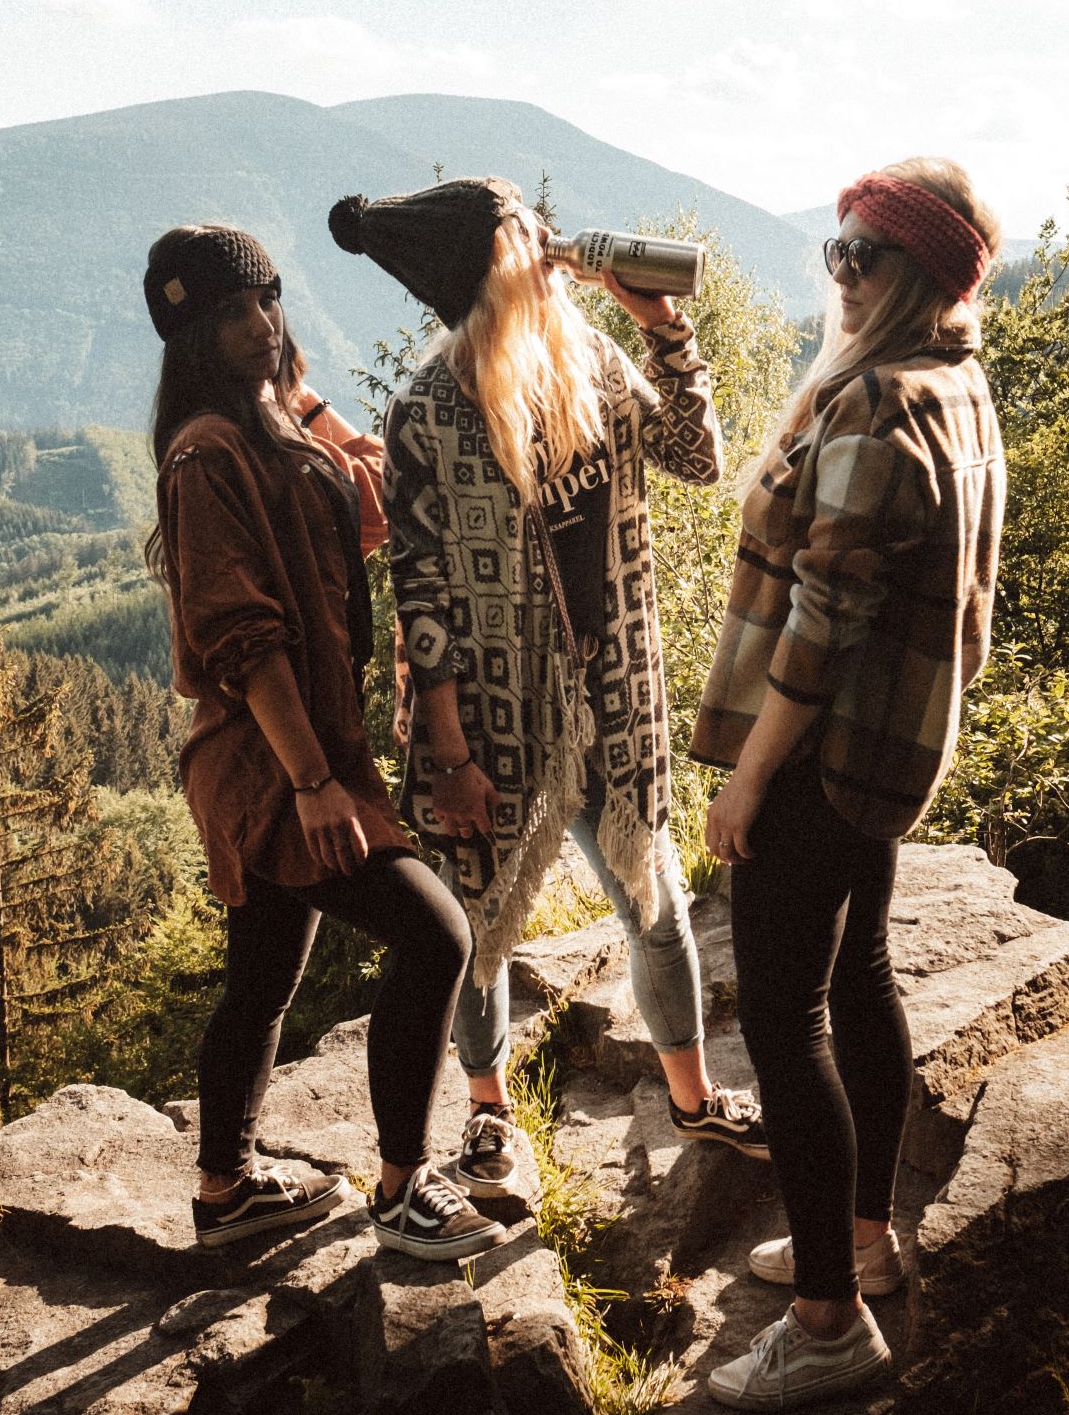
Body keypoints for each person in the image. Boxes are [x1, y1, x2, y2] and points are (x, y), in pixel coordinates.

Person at [328, 179, 766, 1197]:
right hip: (488, 714)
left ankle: (694, 1099)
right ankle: (488, 1115)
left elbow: (697, 457)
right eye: (523, 232)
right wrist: (447, 755)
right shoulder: (427, 408)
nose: (550, 242)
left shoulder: (591, 357)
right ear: (486, 269)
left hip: (614, 690)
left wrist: (664, 329)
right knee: (477, 927)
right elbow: (421, 592)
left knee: (654, 900)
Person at [688, 160, 1006, 1411]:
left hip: (820, 754)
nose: (840, 270)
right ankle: (863, 1242)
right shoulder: (956, 384)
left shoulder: (877, 401)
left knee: (784, 1021)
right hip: (887, 752)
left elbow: (822, 622)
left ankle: (826, 1322)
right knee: (860, 978)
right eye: (835, 246)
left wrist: (746, 780)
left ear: (916, 271)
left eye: (863, 252)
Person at [143, 224, 511, 1263]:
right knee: (437, 934)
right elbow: (243, 637)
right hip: (271, 762)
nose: (261, 323)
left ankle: (226, 1188)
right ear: (193, 337)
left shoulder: (267, 423)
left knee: (264, 973)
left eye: (268, 299)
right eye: (233, 313)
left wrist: (292, 394)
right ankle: (402, 1187)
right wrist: (312, 782)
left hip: (302, 754)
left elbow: (378, 492)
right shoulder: (207, 453)